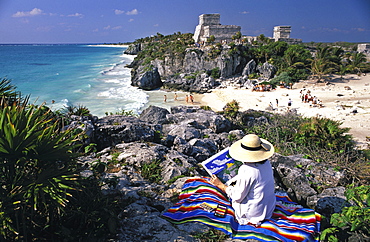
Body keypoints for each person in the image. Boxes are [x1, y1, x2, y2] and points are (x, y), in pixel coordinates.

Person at [210, 134, 276, 226]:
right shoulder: (266, 163)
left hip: (253, 214)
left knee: (232, 196)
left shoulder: (246, 170)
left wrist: (221, 186)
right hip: (268, 209)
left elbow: (238, 197)